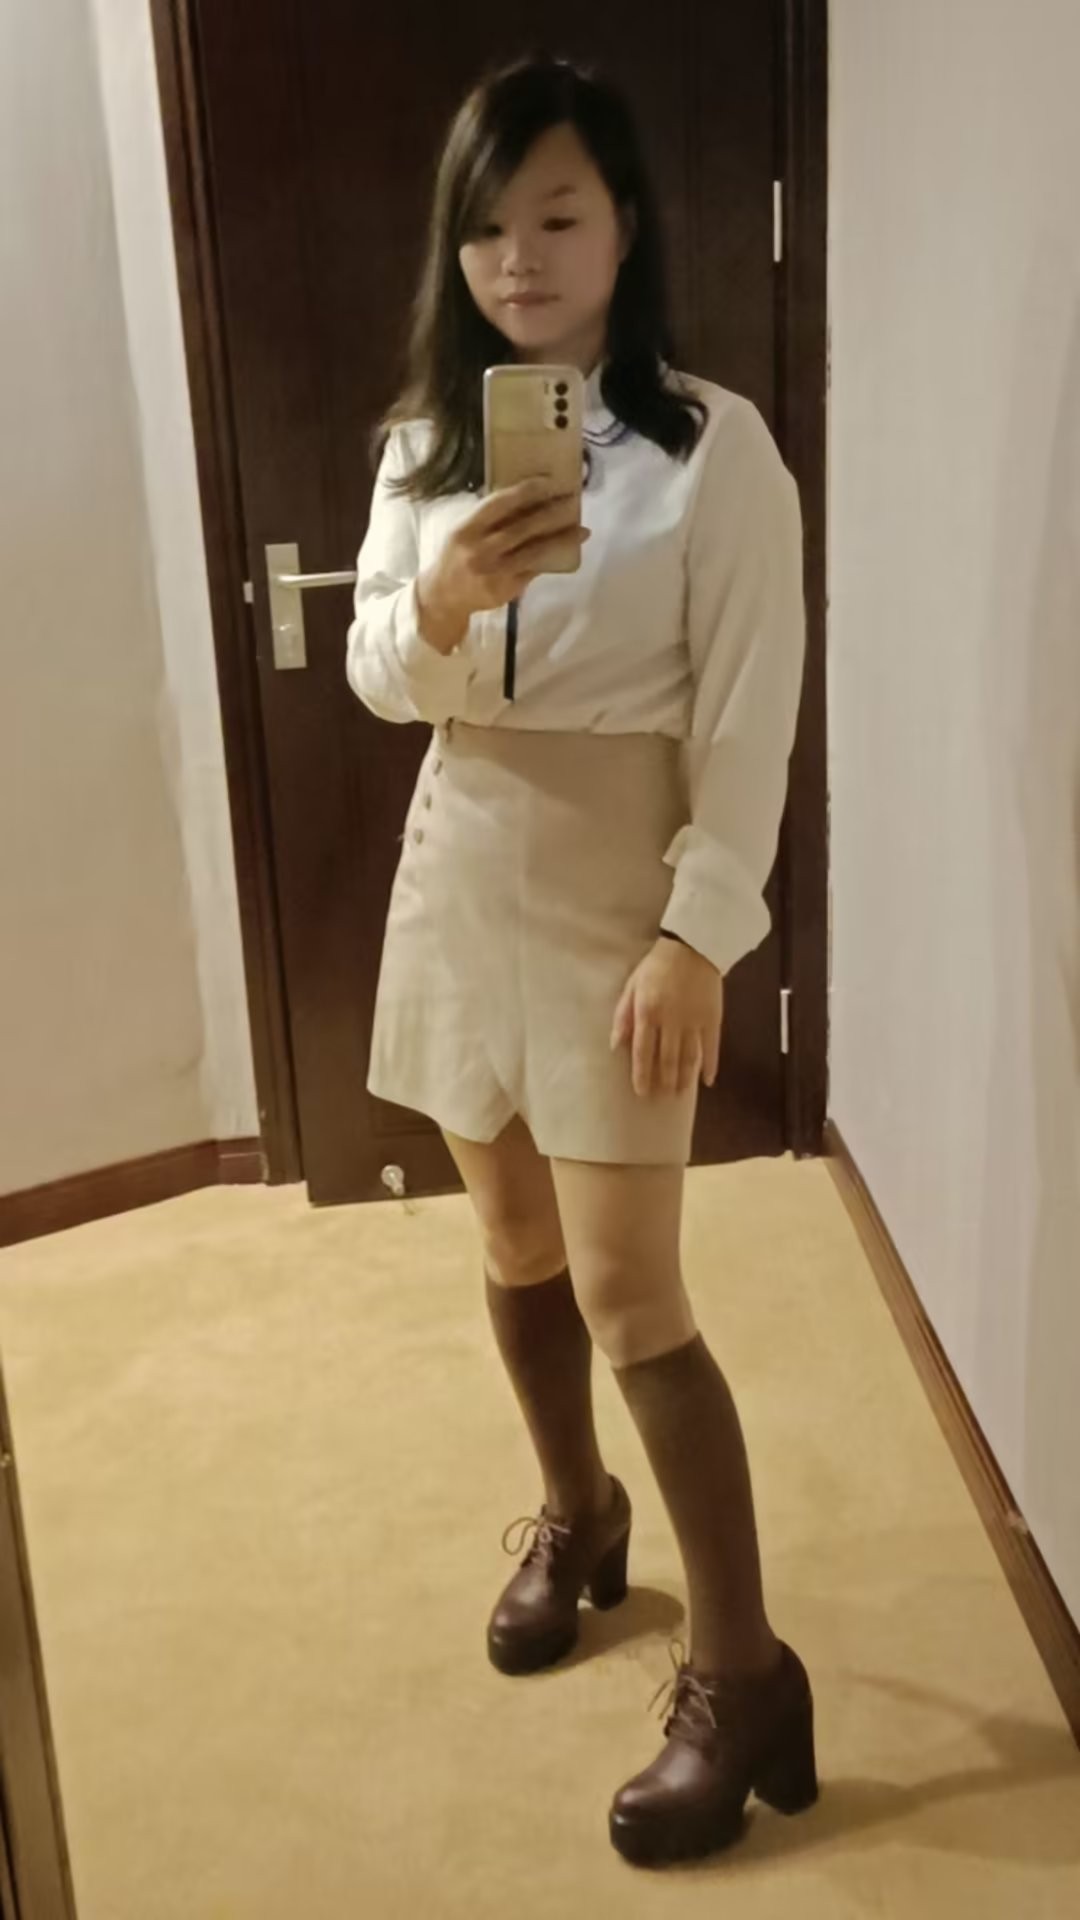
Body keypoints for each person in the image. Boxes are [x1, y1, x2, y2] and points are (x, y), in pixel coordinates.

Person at [345, 51, 815, 1867]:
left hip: (627, 890)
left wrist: (701, 930)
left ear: (626, 228)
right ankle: (577, 1512)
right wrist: (444, 596)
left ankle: (746, 1674)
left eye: (557, 216)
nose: (520, 260)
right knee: (514, 1243)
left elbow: (752, 716)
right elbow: (385, 676)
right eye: (487, 228)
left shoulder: (714, 449)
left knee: (635, 1296)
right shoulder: (423, 451)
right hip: (460, 858)